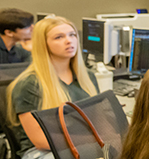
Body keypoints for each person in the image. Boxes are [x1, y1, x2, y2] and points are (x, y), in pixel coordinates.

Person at [7, 16, 99, 159]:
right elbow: (40, 141)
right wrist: (90, 141)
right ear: (44, 44)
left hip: (82, 144)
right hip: (43, 152)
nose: (69, 41)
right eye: (58, 37)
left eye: (72, 35)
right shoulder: (29, 84)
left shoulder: (87, 77)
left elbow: (97, 118)